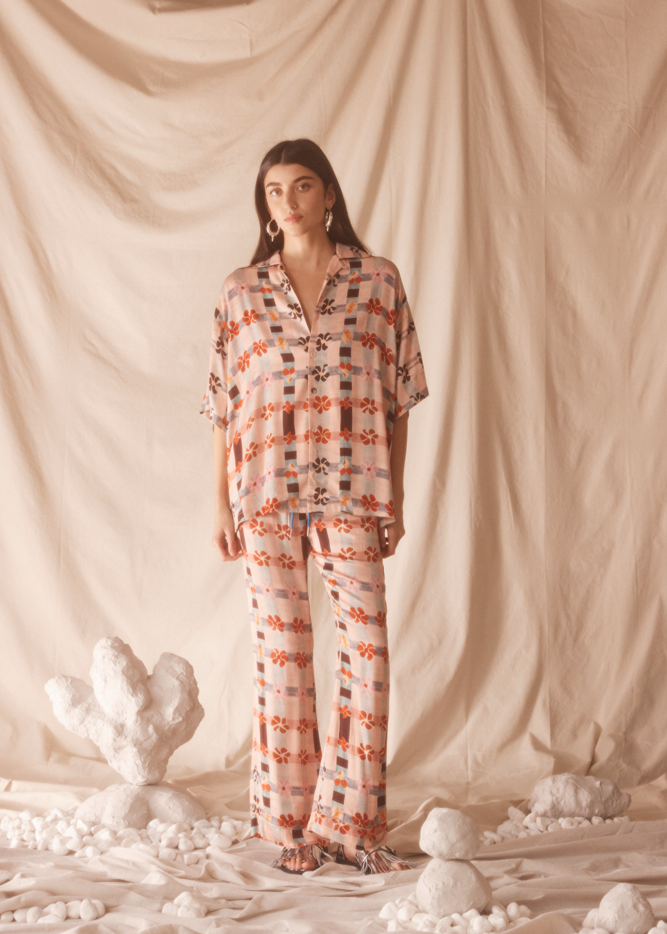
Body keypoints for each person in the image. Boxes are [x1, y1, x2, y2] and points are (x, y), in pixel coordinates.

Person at [200, 139, 429, 874]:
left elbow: (397, 402)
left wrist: (393, 495)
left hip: (354, 486)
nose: (289, 201)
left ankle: (350, 823)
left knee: (366, 651)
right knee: (284, 655)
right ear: (264, 207)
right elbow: (223, 408)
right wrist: (218, 503)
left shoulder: (378, 283)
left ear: (328, 195)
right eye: (274, 191)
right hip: (263, 491)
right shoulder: (240, 293)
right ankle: (289, 825)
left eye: (302, 186)